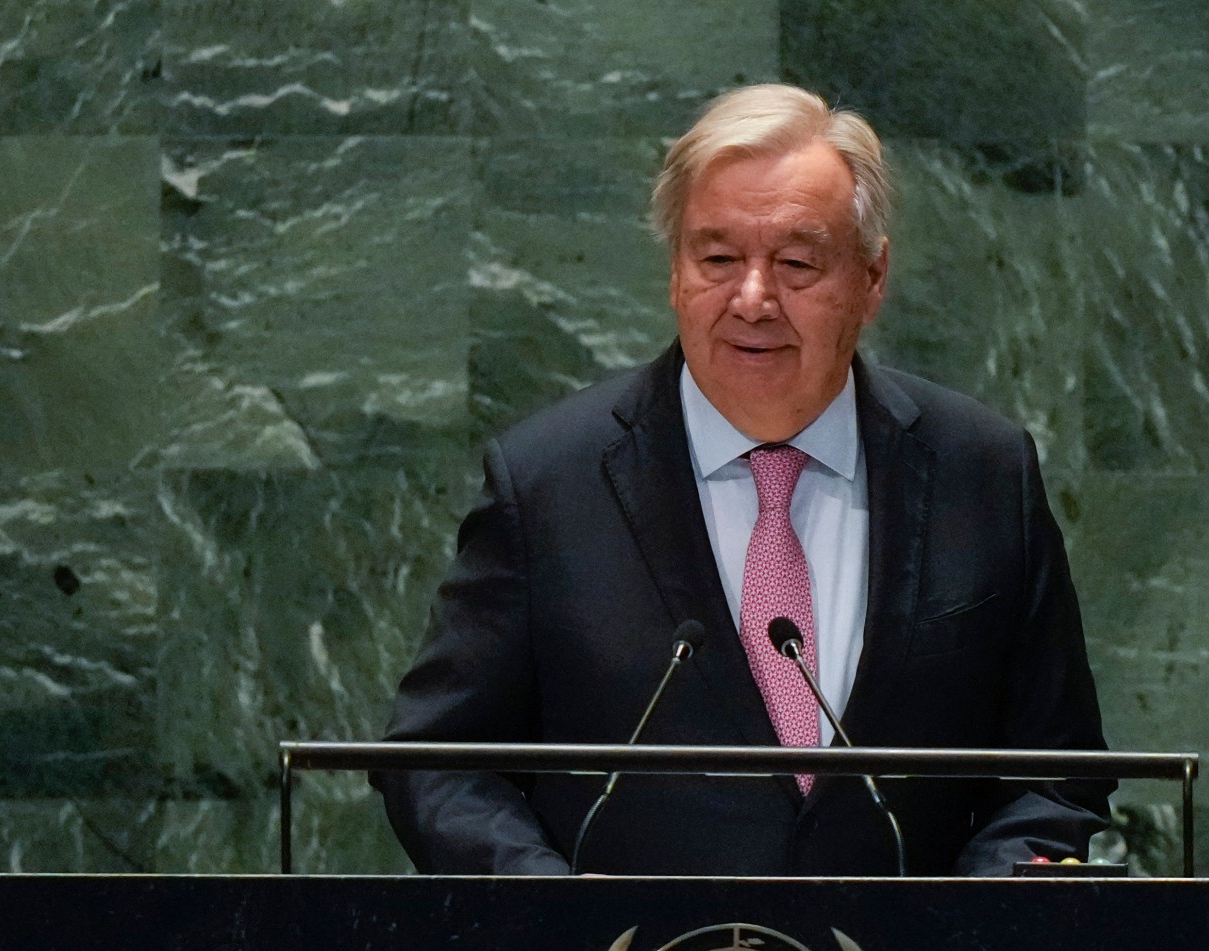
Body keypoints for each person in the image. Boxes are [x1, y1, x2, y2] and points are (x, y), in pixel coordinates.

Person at [375, 83, 1109, 876]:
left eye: (797, 264)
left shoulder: (982, 471)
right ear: (675, 274)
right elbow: (440, 759)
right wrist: (554, 913)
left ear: (872, 278)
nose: (753, 299)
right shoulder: (550, 482)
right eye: (718, 259)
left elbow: (1053, 775)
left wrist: (978, 915)